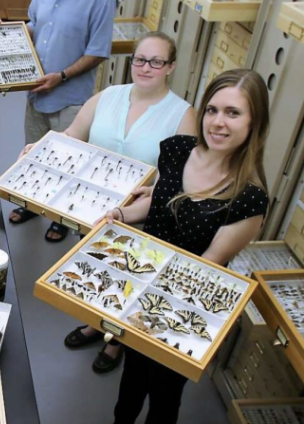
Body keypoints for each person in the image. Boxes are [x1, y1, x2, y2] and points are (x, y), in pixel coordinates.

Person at [105, 69, 270, 424]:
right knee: (131, 382)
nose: (218, 122)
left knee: (164, 395)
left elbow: (206, 264)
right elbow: (160, 200)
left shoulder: (250, 200)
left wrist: (147, 304)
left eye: (233, 113)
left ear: (254, 122)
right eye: (212, 110)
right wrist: (121, 213)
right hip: (141, 284)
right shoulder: (178, 149)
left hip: (181, 308)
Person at [46, 32, 197, 373]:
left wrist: (156, 188)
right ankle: (94, 325)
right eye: (140, 59)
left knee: (127, 278)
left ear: (170, 67)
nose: (146, 68)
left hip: (141, 218)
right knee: (97, 270)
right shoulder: (108, 96)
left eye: (156, 62)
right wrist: (41, 149)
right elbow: (72, 135)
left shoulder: (183, 115)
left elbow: (184, 176)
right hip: (93, 210)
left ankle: (116, 343)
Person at [9, 0, 116, 243]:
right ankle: (31, 203)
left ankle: (62, 218)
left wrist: (61, 77)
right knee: (35, 153)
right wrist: (6, 35)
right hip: (36, 93)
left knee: (69, 161)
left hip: (70, 97)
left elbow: (97, 52)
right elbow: (34, 26)